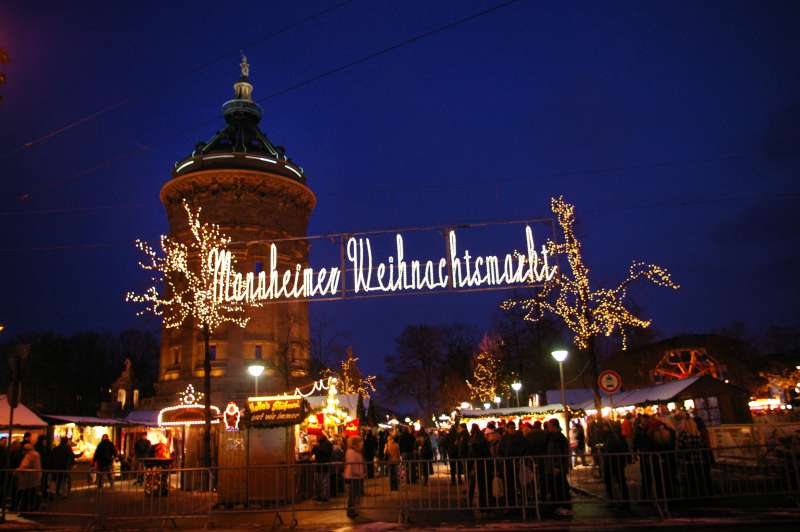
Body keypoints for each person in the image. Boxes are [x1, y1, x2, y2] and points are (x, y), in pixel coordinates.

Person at [599, 420, 630, 507]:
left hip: (613, 462)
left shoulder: (612, 437)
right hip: (617, 462)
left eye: (605, 427)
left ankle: (617, 500)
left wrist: (603, 449)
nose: (603, 429)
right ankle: (622, 500)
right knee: (620, 482)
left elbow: (610, 449)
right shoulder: (616, 436)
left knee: (617, 481)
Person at [545, 419, 572, 516]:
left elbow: (561, 453)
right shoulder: (553, 437)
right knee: (557, 487)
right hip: (554, 467)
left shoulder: (559, 438)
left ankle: (563, 507)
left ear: (554, 426)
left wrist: (557, 466)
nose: (548, 428)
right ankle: (560, 506)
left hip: (557, 468)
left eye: (549, 426)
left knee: (560, 487)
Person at [499, 421, 526, 509]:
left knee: (517, 482)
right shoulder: (505, 438)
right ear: (507, 429)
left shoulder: (518, 437)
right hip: (508, 464)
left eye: (513, 428)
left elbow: (523, 449)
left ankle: (520, 501)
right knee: (510, 483)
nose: (513, 430)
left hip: (516, 463)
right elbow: (501, 450)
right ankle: (512, 502)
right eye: (511, 428)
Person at [467, 423, 490, 508]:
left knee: (475, 484)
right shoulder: (481, 438)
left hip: (477, 463)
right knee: (481, 485)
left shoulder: (474, 439)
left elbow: (473, 452)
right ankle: (482, 503)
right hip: (481, 463)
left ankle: (474, 501)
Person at [15, 443, 42, 511]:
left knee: (27, 494)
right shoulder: (36, 454)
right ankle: (33, 507)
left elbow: (24, 465)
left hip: (28, 478)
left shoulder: (29, 455)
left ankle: (25, 508)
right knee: (33, 493)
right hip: (35, 477)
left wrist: (18, 470)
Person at [344, 436, 366, 518]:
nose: (362, 444)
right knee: (353, 494)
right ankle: (351, 511)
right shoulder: (352, 453)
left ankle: (353, 510)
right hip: (353, 477)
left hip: (356, 476)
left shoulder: (355, 452)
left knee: (354, 494)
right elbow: (352, 466)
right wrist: (359, 473)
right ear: (355, 444)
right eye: (360, 443)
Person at [311, 434, 333, 501]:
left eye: (317, 436)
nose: (316, 437)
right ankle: (321, 496)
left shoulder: (325, 444)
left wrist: (316, 446)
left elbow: (324, 453)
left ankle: (323, 496)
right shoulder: (324, 443)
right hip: (322, 465)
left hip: (322, 465)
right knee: (321, 482)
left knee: (322, 482)